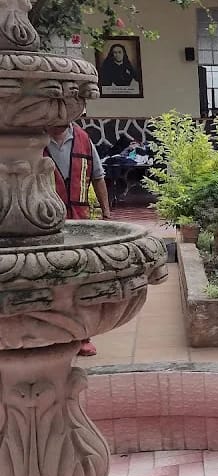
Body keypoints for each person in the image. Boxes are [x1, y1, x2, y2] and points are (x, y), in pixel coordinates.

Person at [45, 122, 111, 357]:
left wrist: (106, 213)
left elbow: (98, 176)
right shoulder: (34, 140)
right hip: (44, 222)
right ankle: (53, 335)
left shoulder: (83, 139)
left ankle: (82, 336)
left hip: (79, 219)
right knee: (51, 279)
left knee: (79, 280)